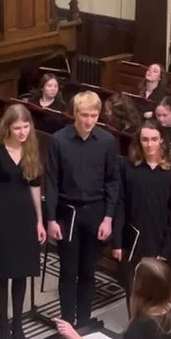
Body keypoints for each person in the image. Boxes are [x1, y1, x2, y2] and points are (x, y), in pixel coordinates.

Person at [46, 90, 119, 325]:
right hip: (68, 214)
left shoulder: (107, 141)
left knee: (88, 270)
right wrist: (51, 219)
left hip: (96, 213)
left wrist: (108, 218)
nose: (89, 121)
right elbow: (52, 182)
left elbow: (112, 181)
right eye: (84, 115)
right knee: (68, 271)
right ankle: (68, 323)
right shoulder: (59, 140)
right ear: (75, 114)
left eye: (94, 115)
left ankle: (85, 321)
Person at [0, 104, 46, 339]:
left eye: (26, 126)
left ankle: (18, 324)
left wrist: (39, 220)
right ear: (7, 127)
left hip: (24, 217)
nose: (22, 132)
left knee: (21, 273)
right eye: (17, 127)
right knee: (1, 273)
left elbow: (35, 186)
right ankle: (4, 326)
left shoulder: (31, 149)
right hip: (0, 217)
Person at [112, 121, 171, 289]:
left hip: (159, 242)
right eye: (145, 139)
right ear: (138, 141)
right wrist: (117, 242)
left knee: (155, 294)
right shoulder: (127, 166)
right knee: (133, 291)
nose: (149, 144)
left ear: (162, 141)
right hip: (133, 240)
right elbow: (121, 204)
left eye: (153, 139)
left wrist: (166, 250)